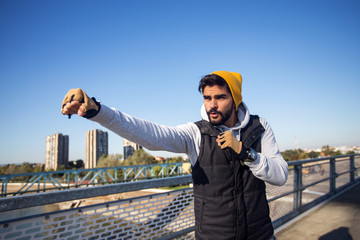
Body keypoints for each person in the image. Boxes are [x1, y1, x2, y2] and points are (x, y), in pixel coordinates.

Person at [61, 70, 288, 240]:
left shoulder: (259, 127)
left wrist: (246, 153)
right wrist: (97, 111)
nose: (212, 105)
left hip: (261, 235)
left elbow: (280, 175)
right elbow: (150, 134)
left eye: (219, 97)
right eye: (207, 98)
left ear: (235, 98)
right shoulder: (195, 133)